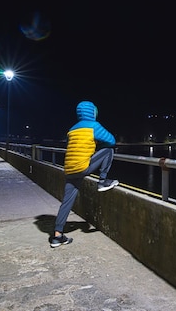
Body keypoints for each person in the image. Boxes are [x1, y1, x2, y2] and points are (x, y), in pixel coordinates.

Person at [50, 100, 119, 248]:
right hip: (82, 167)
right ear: (93, 112)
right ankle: (102, 181)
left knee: (66, 202)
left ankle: (57, 235)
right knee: (109, 151)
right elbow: (111, 140)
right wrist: (99, 145)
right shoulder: (94, 126)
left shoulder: (72, 129)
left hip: (69, 169)